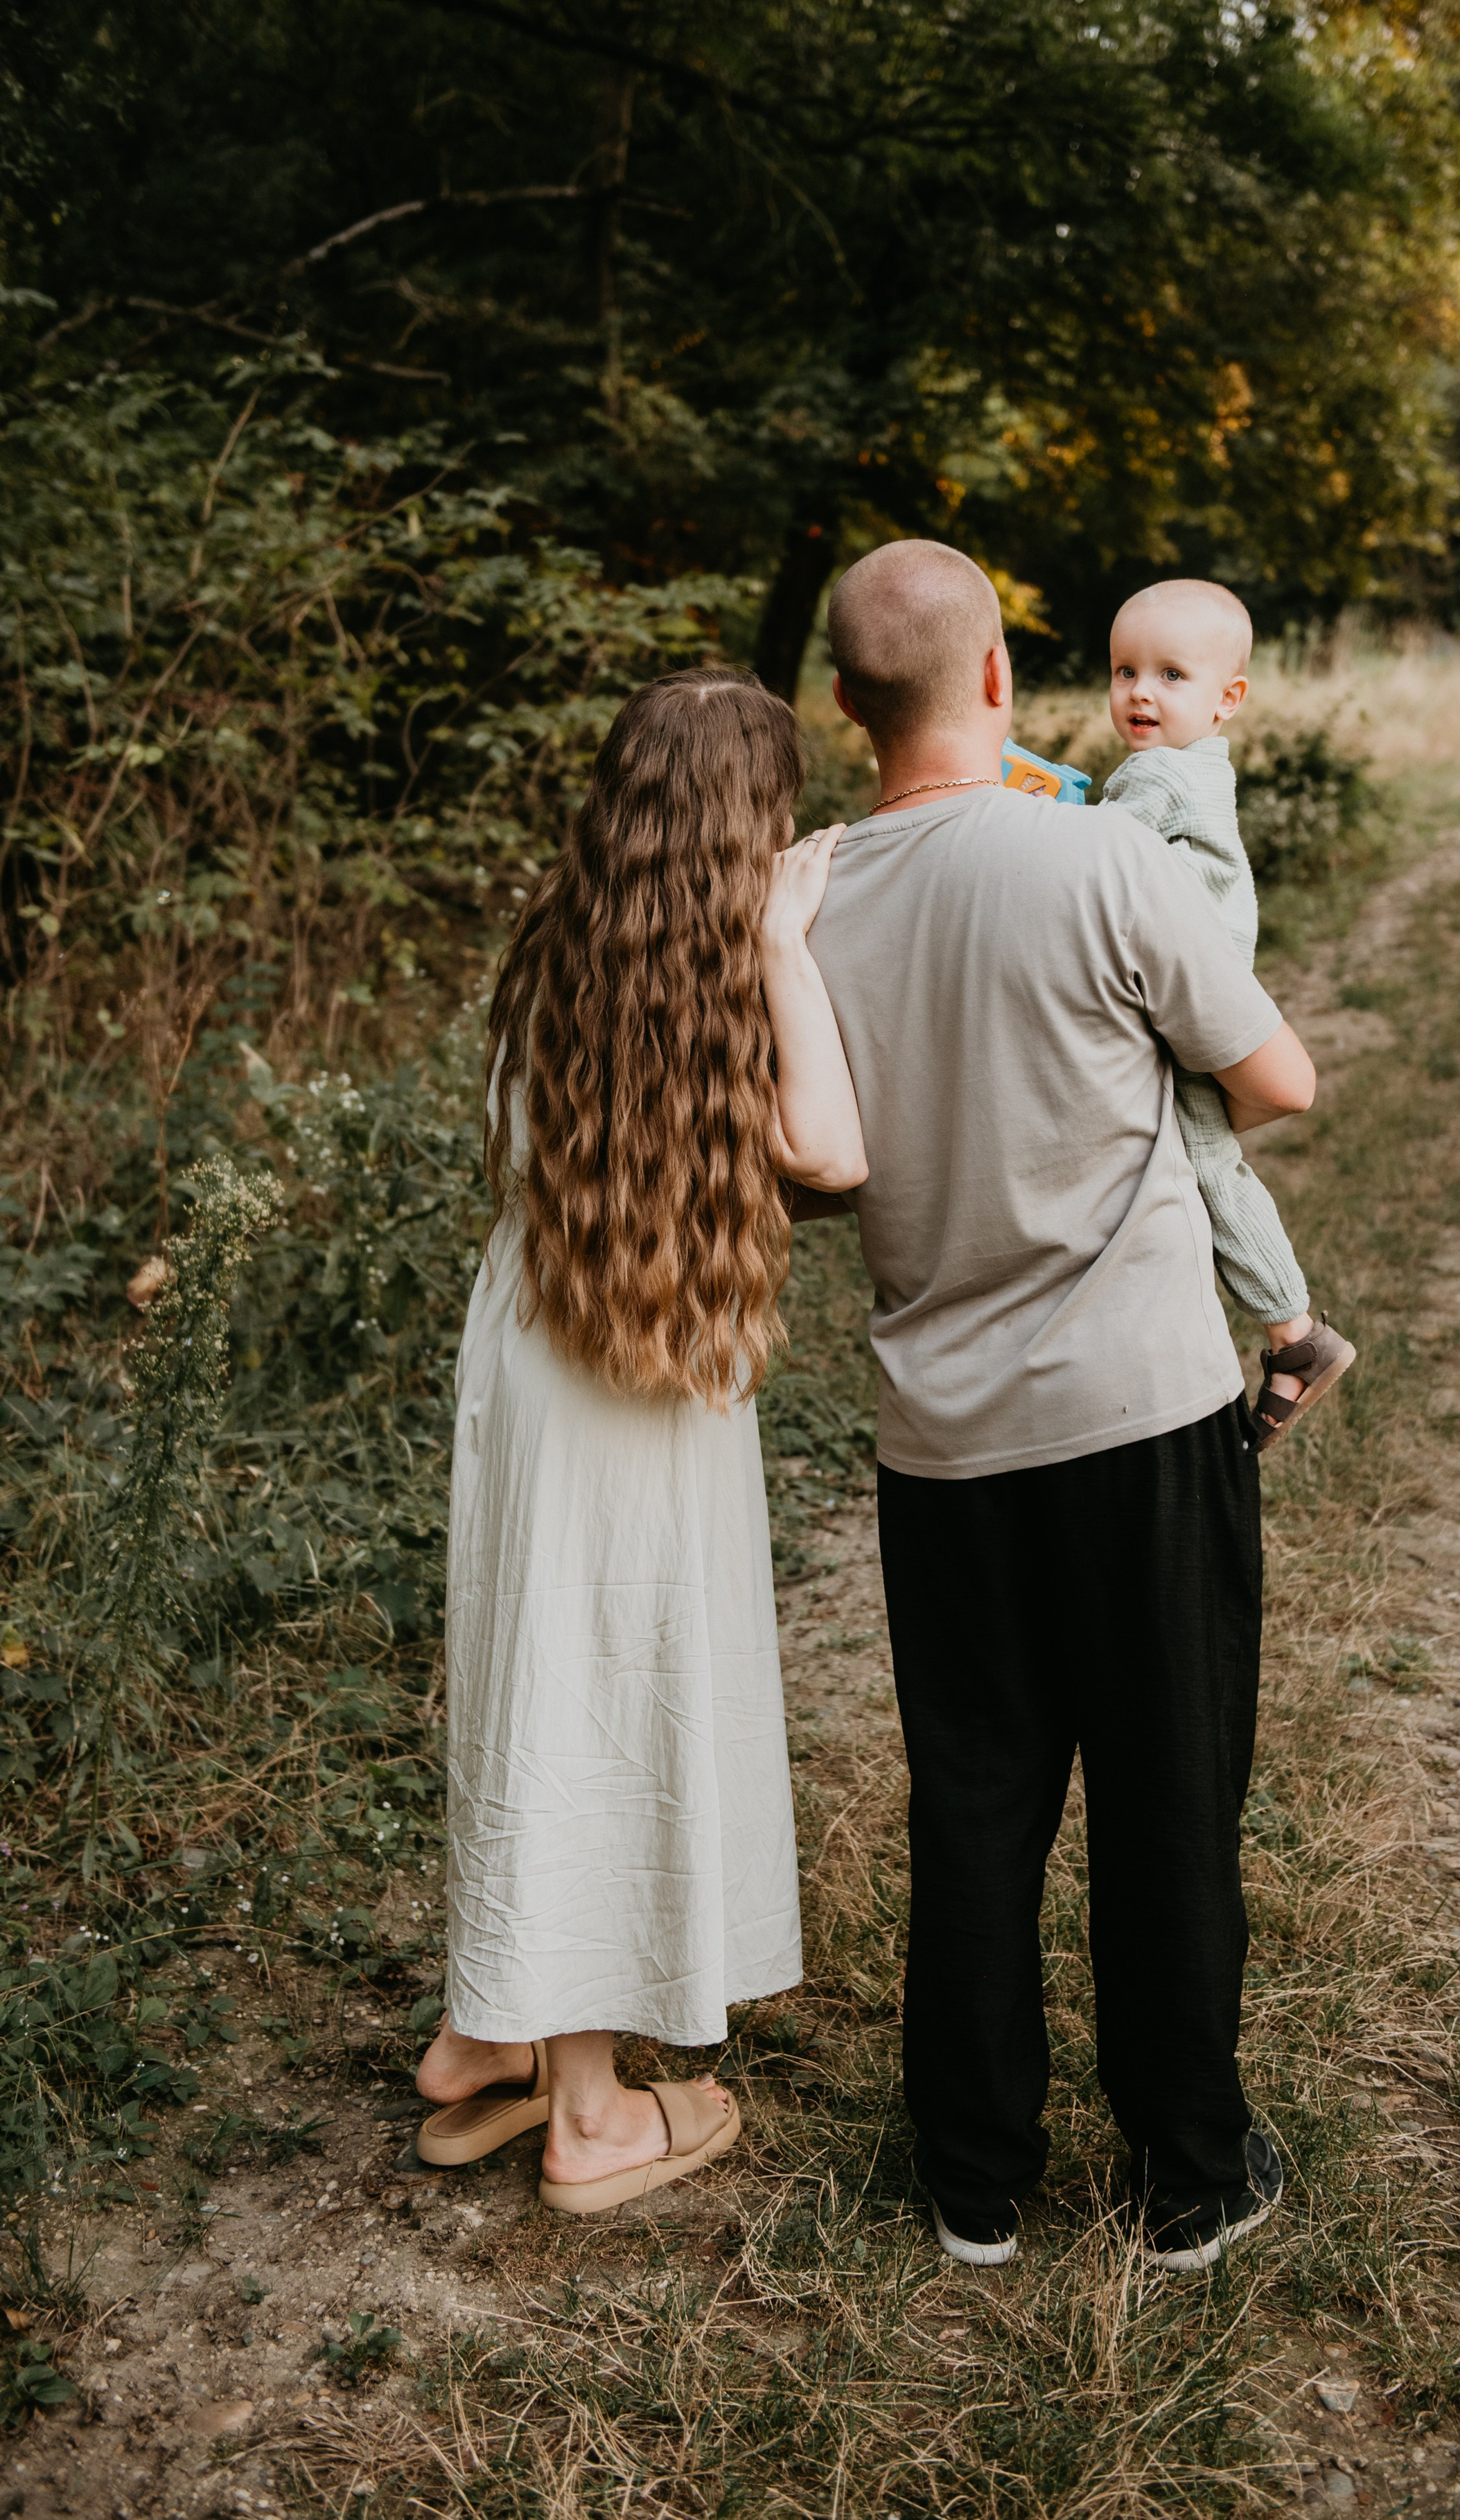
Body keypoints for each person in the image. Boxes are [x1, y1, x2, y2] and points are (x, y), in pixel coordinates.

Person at [804, 542, 1317, 2274]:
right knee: (1166, 1796)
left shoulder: (807, 898)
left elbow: (812, 1171)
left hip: (936, 1443)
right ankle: (1187, 2172)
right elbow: (1275, 1077)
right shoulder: (1101, 851)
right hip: (1141, 1412)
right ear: (1004, 682)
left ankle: (972, 2176)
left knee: (974, 1803)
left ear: (843, 703)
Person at [412, 669, 867, 2216]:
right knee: (602, 1706)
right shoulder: (731, 962)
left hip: (527, 1360)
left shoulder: (564, 932)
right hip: (632, 1402)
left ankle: (483, 2039)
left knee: (530, 1683)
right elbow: (831, 1151)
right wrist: (787, 944)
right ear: (755, 820)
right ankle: (592, 2115)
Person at [1102, 577, 1355, 1447]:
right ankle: (1278, 1330)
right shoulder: (1201, 768)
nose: (1140, 691)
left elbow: (1099, 865)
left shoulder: (1158, 775)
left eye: (1170, 675)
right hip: (1201, 991)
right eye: (1124, 670)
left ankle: (1296, 1335)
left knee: (1209, 1164)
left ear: (1227, 699)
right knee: (1199, 1157)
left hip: (1186, 1006)